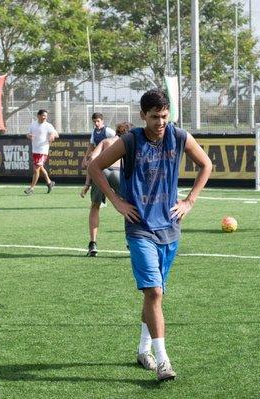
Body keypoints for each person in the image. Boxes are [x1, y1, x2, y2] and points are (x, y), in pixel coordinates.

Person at [87, 89, 212, 381]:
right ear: (142, 115)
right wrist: (116, 201)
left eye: (165, 117)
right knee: (154, 292)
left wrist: (190, 200)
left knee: (155, 296)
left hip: (170, 229)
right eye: (155, 117)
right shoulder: (130, 140)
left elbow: (206, 164)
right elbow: (95, 166)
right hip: (140, 228)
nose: (160, 123)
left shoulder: (179, 136)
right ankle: (164, 361)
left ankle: (144, 350)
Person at [83, 121, 132, 257]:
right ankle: (130, 241)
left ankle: (93, 243)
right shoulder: (127, 143)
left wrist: (87, 183)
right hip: (118, 172)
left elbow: (92, 158)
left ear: (116, 132)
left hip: (101, 172)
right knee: (128, 206)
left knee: (95, 206)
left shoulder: (105, 141)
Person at [80, 112, 116, 197]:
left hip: (109, 158)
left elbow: (117, 138)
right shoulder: (94, 132)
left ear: (102, 121)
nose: (96, 123)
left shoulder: (107, 130)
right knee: (91, 165)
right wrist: (85, 158)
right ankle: (87, 185)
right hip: (100, 157)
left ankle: (88, 185)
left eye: (98, 121)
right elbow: (91, 146)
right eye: (94, 122)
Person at [24, 109, 58, 195]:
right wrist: (29, 136)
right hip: (35, 150)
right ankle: (50, 183)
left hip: (43, 150)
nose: (45, 117)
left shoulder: (48, 125)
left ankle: (31, 188)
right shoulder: (33, 124)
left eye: (46, 116)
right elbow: (27, 134)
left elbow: (56, 134)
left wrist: (52, 135)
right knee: (40, 167)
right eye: (43, 116)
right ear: (38, 116)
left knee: (36, 169)